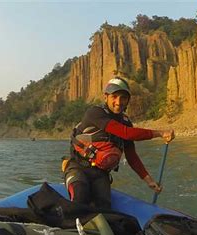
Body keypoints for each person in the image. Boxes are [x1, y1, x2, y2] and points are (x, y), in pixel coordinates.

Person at [63, 77, 175, 208]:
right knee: (80, 195)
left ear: (128, 101)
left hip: (100, 173)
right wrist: (159, 133)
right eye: (114, 97)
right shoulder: (95, 113)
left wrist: (149, 180)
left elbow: (131, 156)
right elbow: (126, 133)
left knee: (104, 206)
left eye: (123, 98)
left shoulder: (126, 122)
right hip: (78, 167)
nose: (118, 102)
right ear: (106, 97)